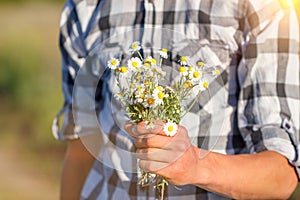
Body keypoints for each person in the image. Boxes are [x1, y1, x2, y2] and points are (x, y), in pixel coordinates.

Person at [52, 0, 300, 199]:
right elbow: (81, 152)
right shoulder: (85, 8)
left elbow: (281, 175)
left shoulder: (262, 5)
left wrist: (196, 166)